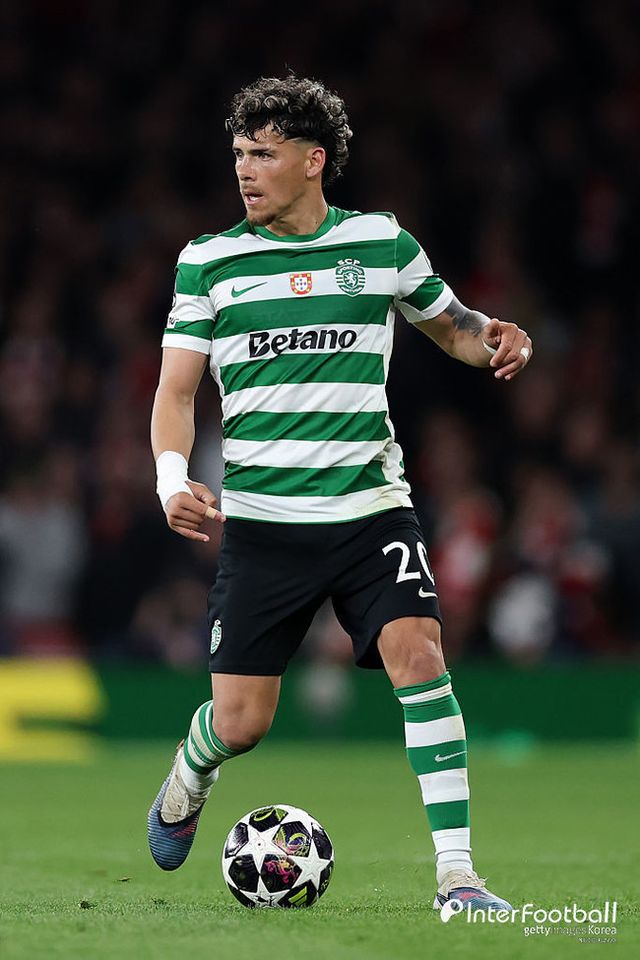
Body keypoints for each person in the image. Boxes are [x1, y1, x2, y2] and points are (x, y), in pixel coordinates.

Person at [147, 75, 532, 912]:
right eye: (239, 154)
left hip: (370, 511)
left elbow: (454, 327)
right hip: (265, 525)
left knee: (421, 658)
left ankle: (458, 876)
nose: (244, 170)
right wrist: (172, 478)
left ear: (313, 160)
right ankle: (191, 771)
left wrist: (499, 341)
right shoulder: (209, 261)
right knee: (242, 722)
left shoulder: (381, 244)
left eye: (263, 154)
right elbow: (176, 391)